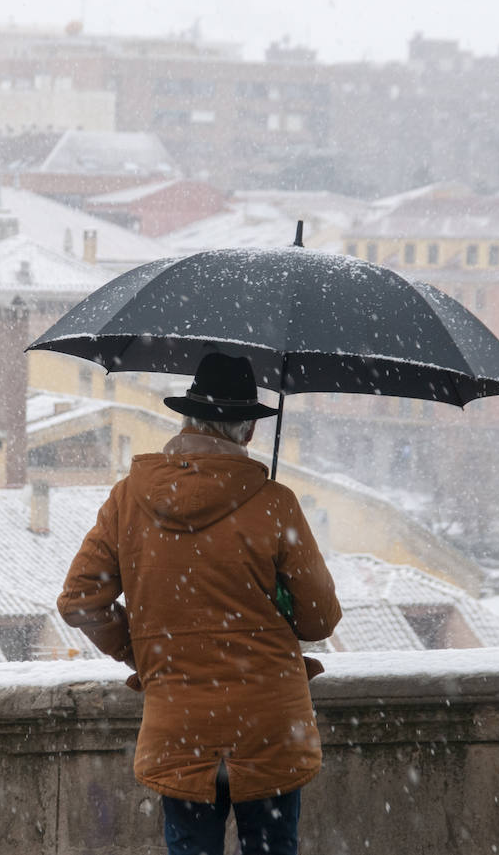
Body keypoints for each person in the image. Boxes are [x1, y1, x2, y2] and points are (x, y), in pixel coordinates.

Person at [58, 352, 342, 855]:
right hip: (270, 727)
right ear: (248, 432)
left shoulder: (128, 499)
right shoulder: (275, 503)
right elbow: (319, 620)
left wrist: (141, 650)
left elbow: (80, 599)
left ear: (185, 419)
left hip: (180, 727)